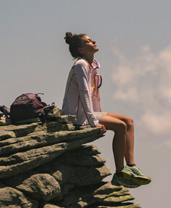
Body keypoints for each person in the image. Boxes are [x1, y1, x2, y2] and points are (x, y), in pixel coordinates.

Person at [61, 32, 151, 188]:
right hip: (77, 116)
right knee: (120, 126)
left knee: (128, 121)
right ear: (81, 49)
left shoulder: (92, 65)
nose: (94, 41)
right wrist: (94, 122)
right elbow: (84, 94)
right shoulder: (81, 64)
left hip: (86, 112)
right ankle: (120, 174)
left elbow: (93, 95)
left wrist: (98, 115)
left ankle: (131, 166)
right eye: (89, 41)